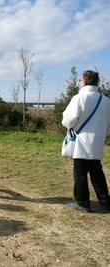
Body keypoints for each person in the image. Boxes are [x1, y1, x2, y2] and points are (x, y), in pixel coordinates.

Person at [62, 70, 110, 212]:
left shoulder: (79, 98)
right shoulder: (105, 100)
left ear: (83, 82)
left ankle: (82, 202)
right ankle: (105, 200)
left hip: (81, 142)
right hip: (97, 142)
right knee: (97, 173)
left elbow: (68, 120)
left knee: (80, 173)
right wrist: (102, 135)